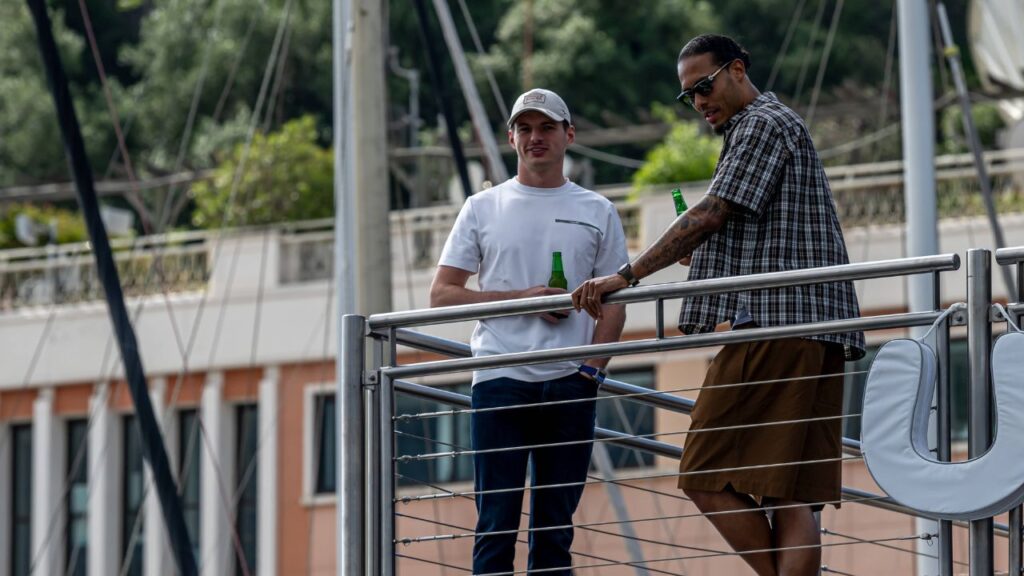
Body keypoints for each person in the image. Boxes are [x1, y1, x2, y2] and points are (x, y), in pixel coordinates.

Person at [571, 34, 865, 576]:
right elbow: (753, 226)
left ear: (737, 70)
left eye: (704, 86)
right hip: (816, 326)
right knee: (792, 494)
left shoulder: (760, 124)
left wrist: (626, 275)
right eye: (689, 96)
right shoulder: (776, 124)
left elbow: (710, 213)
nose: (699, 102)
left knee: (703, 472)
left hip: (778, 323)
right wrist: (703, 255)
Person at [430, 88, 628, 575]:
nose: (535, 137)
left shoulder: (598, 209)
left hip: (570, 381)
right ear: (511, 138)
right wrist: (524, 298)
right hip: (499, 378)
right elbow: (442, 294)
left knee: (555, 531)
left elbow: (616, 304)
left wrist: (591, 371)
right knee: (495, 526)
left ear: (569, 135)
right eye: (525, 128)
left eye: (546, 127)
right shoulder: (482, 206)